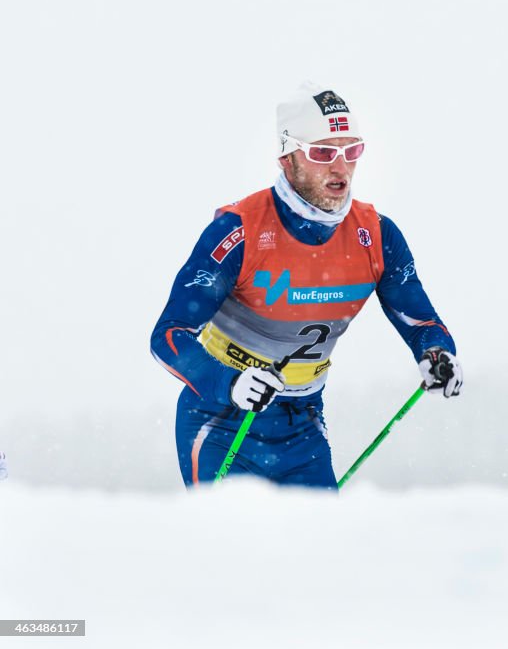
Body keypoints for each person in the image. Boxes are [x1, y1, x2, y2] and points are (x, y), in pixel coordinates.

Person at [151, 84, 462, 489]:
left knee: (325, 552)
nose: (340, 168)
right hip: (221, 419)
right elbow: (169, 336)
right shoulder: (239, 231)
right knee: (230, 548)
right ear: (287, 158)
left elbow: (422, 322)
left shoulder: (377, 237)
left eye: (352, 150)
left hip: (302, 426)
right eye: (321, 153)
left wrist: (437, 354)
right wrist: (229, 382)